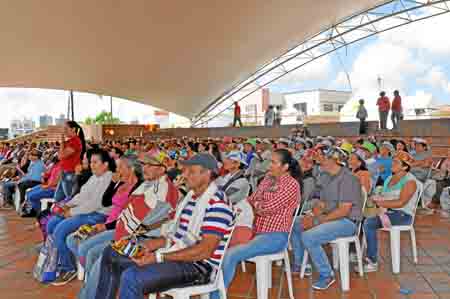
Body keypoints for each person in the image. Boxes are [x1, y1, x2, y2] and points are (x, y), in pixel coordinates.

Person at [93, 153, 234, 299]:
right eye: (185, 170)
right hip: (180, 255)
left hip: (198, 267)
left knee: (132, 277)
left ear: (207, 174)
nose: (184, 175)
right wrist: (149, 245)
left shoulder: (217, 205)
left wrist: (158, 257)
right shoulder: (191, 199)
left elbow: (204, 251)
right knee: (112, 254)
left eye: (191, 171)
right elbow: (175, 238)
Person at [211, 149, 301, 299]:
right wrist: (259, 204)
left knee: (230, 255)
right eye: (269, 161)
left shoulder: (291, 185)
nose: (269, 165)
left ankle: (215, 296)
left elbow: (267, 209)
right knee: (219, 245)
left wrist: (258, 205)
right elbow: (252, 199)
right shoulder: (268, 179)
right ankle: (211, 288)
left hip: (275, 236)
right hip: (257, 232)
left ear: (285, 167)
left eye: (273, 162)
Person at [291, 145, 362, 290]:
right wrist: (311, 215)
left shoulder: (348, 179)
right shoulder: (325, 176)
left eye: (321, 155)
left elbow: (344, 210)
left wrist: (317, 221)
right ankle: (299, 264)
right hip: (330, 217)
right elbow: (321, 203)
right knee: (295, 223)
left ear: (333, 160)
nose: (317, 157)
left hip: (347, 221)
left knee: (309, 236)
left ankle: (326, 275)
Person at [46, 149, 115, 285]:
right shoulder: (94, 177)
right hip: (85, 211)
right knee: (52, 223)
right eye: (91, 162)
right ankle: (57, 257)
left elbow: (95, 204)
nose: (92, 165)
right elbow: (82, 196)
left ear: (105, 164)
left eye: (95, 162)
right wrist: (67, 205)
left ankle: (69, 268)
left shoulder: (108, 178)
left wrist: (71, 212)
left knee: (60, 229)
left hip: (98, 216)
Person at [362, 151, 418, 272]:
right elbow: (382, 194)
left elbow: (401, 203)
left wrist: (380, 203)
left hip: (402, 215)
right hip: (388, 211)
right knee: (361, 218)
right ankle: (356, 252)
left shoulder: (410, 181)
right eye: (393, 161)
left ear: (405, 166)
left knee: (369, 223)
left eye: (396, 162)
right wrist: (376, 197)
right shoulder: (390, 178)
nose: (392, 164)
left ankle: (372, 261)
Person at [54, 121, 86, 202]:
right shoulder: (69, 141)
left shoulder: (75, 141)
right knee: (57, 198)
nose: (63, 131)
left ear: (73, 129)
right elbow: (59, 156)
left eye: (66, 128)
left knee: (70, 199)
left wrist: (61, 141)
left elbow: (61, 156)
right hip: (64, 172)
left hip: (70, 173)